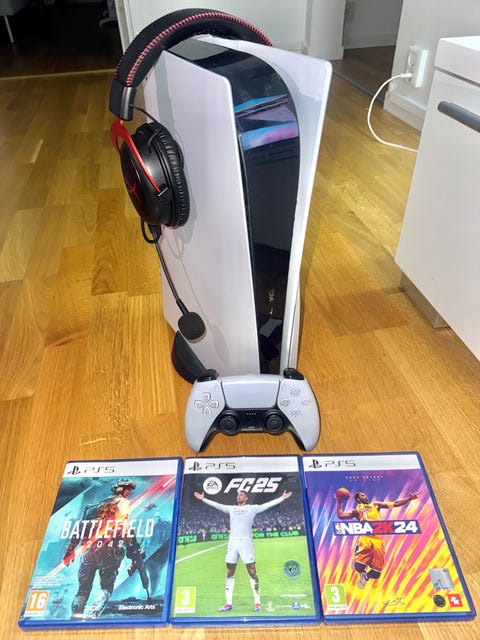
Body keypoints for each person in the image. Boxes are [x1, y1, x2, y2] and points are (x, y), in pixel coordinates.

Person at [194, 488, 292, 612]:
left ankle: (257, 603)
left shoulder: (252, 508)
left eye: (241, 495)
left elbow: (266, 505)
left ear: (246, 498)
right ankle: (228, 603)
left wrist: (282, 498)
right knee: (230, 572)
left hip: (246, 543)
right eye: (238, 495)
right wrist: (203, 499)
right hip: (232, 544)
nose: (238, 496)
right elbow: (218, 506)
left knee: (252, 571)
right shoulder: (232, 509)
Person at [63, 478, 137, 617]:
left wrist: (69, 550)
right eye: (128, 489)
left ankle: (75, 617)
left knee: (83, 590)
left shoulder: (92, 508)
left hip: (88, 552)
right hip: (109, 553)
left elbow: (80, 528)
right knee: (106, 589)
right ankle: (92, 616)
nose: (129, 493)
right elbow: (124, 527)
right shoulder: (123, 503)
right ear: (120, 489)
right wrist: (132, 553)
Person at [335, 489, 419, 589]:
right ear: (358, 499)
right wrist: (338, 502)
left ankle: (365, 576)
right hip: (366, 538)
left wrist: (409, 499)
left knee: (376, 574)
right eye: (362, 495)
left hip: (378, 540)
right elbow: (341, 515)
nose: (365, 496)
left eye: (365, 495)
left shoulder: (375, 505)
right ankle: (358, 559)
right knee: (358, 565)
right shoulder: (357, 511)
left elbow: (395, 504)